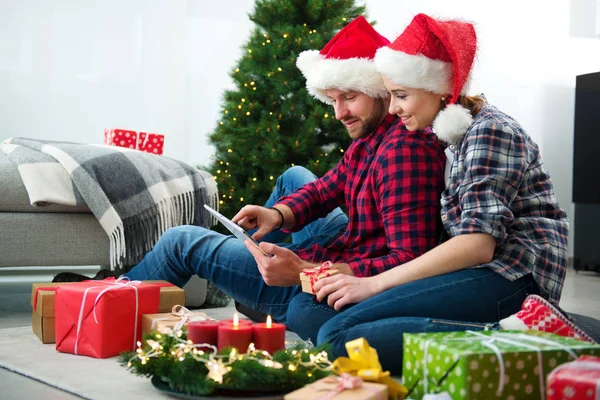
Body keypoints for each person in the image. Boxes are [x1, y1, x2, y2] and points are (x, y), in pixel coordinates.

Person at [117, 16, 446, 333]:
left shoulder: (403, 151)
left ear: (382, 90)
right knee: (295, 177)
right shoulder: (373, 138)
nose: (339, 113)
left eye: (350, 97)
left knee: (181, 242)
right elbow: (322, 191)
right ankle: (255, 272)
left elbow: (409, 261)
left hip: (340, 277)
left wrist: (305, 271)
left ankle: (109, 299)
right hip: (350, 247)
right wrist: (277, 214)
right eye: (332, 100)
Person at [303, 13, 570, 374]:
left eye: (401, 95)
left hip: (514, 278)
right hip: (478, 271)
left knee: (337, 336)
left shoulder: (489, 131)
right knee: (332, 323)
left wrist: (373, 284)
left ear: (441, 89)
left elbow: (477, 244)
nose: (393, 108)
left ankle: (532, 339)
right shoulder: (452, 138)